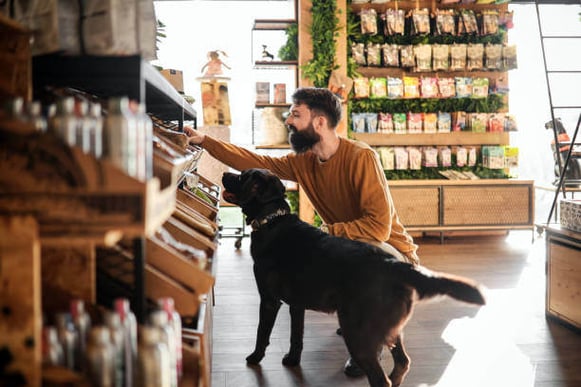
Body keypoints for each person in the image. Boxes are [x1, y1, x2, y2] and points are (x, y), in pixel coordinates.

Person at [184, 86, 419, 377]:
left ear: (319, 122)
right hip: (348, 247)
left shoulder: (361, 157)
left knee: (365, 275)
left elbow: (379, 227)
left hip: (389, 251)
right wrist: (205, 141)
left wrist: (329, 231)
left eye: (296, 114)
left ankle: (371, 342)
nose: (289, 121)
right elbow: (258, 163)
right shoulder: (305, 161)